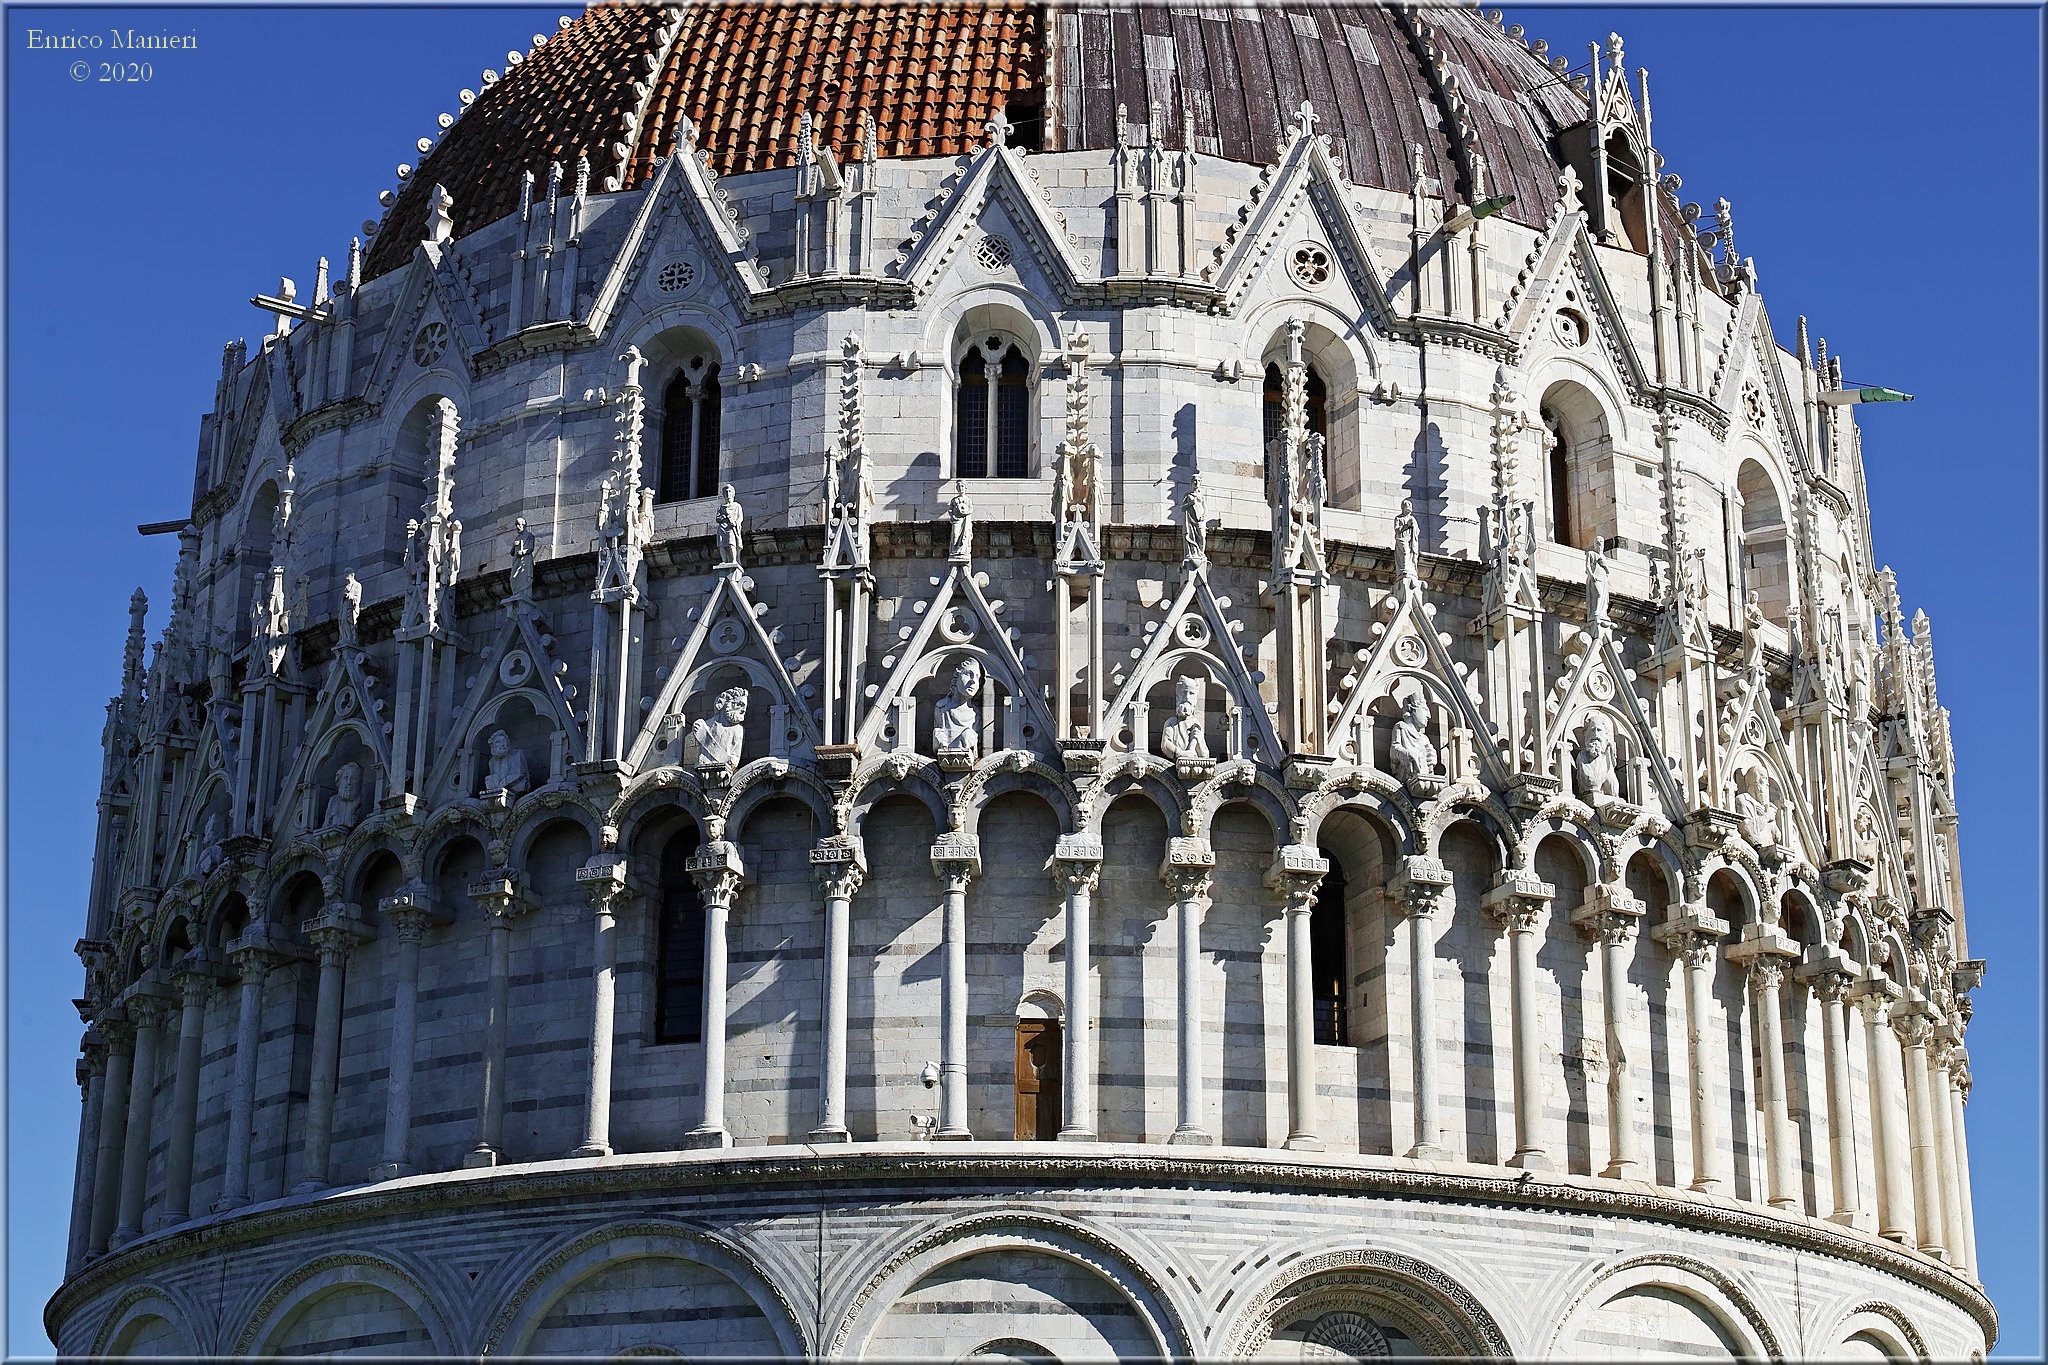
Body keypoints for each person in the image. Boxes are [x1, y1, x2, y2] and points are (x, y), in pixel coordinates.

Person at [932, 657, 983, 755]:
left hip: (967, 757)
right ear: (957, 677)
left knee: (969, 733)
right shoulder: (941, 707)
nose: (973, 681)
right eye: (968, 674)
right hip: (944, 755)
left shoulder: (976, 714)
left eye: (977, 677)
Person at [690, 687, 748, 771]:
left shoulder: (738, 730)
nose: (743, 710)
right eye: (740, 704)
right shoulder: (703, 725)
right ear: (726, 703)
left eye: (745, 707)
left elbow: (734, 759)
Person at [1388, 692, 1436, 782]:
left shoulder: (1425, 738)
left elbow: (1429, 762)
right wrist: (1406, 754)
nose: (1429, 716)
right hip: (1405, 776)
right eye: (1425, 710)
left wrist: (1431, 761)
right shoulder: (1401, 727)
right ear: (1412, 709)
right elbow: (1394, 749)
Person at [1573, 714, 1620, 801]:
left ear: (1605, 734)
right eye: (1592, 730)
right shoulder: (1582, 756)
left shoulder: (1606, 757)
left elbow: (1612, 787)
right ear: (1586, 734)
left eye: (1599, 730)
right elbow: (1591, 783)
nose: (1596, 734)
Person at [1160, 677, 1207, 762]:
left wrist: (1198, 740)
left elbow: (1205, 754)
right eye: (1184, 693)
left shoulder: (1195, 723)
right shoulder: (1172, 722)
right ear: (1178, 696)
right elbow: (1165, 744)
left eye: (1191, 693)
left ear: (1195, 698)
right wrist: (1181, 753)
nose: (1187, 697)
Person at [483, 729, 530, 796]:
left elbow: (518, 774)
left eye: (504, 741)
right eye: (498, 742)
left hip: (517, 790)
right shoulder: (492, 761)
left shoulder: (517, 754)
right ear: (492, 746)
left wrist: (500, 784)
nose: (502, 744)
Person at [323, 762, 364, 831]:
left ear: (358, 782)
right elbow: (326, 824)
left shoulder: (359, 800)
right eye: (346, 778)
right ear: (339, 781)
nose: (349, 782)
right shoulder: (333, 800)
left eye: (353, 778)